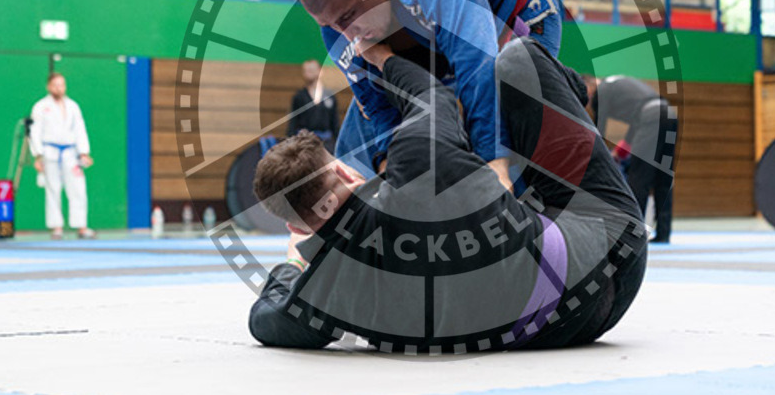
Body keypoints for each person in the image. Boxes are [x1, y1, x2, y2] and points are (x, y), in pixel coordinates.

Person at [248, 37, 647, 351]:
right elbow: (431, 97)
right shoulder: (419, 159)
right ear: (343, 169)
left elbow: (263, 320)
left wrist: (293, 266)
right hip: (612, 257)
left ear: (292, 225)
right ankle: (573, 92)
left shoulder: (320, 296)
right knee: (518, 59)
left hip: (559, 331)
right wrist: (382, 56)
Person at [296, 0, 564, 186]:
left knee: (517, 108)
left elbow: (477, 68)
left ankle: (531, 209)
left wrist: (494, 162)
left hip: (519, 11)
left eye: (348, 17)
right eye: (330, 25)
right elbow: (377, 107)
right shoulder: (336, 24)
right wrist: (390, 170)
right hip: (426, 31)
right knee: (371, 106)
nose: (346, 34)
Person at [591, 75, 676, 243]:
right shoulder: (621, 86)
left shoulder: (603, 89)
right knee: (663, 178)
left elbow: (599, 125)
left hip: (650, 117)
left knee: (639, 178)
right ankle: (664, 233)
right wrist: (620, 151)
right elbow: (635, 124)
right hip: (669, 114)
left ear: (590, 86)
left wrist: (594, 151)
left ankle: (633, 235)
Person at [29, 73, 95, 240]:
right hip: (50, 152)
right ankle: (56, 227)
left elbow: (80, 130)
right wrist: (37, 155)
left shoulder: (73, 106)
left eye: (62, 85)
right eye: (56, 85)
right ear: (49, 87)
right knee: (53, 190)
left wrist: (84, 152)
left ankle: (81, 226)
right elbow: (34, 132)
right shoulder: (40, 107)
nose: (59, 88)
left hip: (70, 153)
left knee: (78, 189)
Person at [287, 59, 339, 147]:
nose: (308, 73)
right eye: (305, 71)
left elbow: (335, 122)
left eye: (311, 70)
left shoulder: (329, 96)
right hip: (304, 142)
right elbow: (293, 122)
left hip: (326, 142)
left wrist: (337, 142)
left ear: (320, 71)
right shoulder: (299, 96)